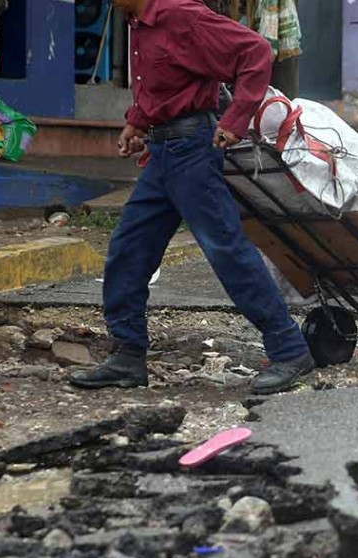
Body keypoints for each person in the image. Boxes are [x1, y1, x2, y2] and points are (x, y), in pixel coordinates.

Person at [69, 0, 315, 395]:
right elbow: (166, 85)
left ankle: (289, 348)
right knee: (129, 249)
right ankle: (127, 355)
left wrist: (235, 120)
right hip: (162, 152)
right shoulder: (137, 23)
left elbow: (255, 51)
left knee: (226, 250)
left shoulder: (180, 15)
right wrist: (136, 122)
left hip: (191, 152)